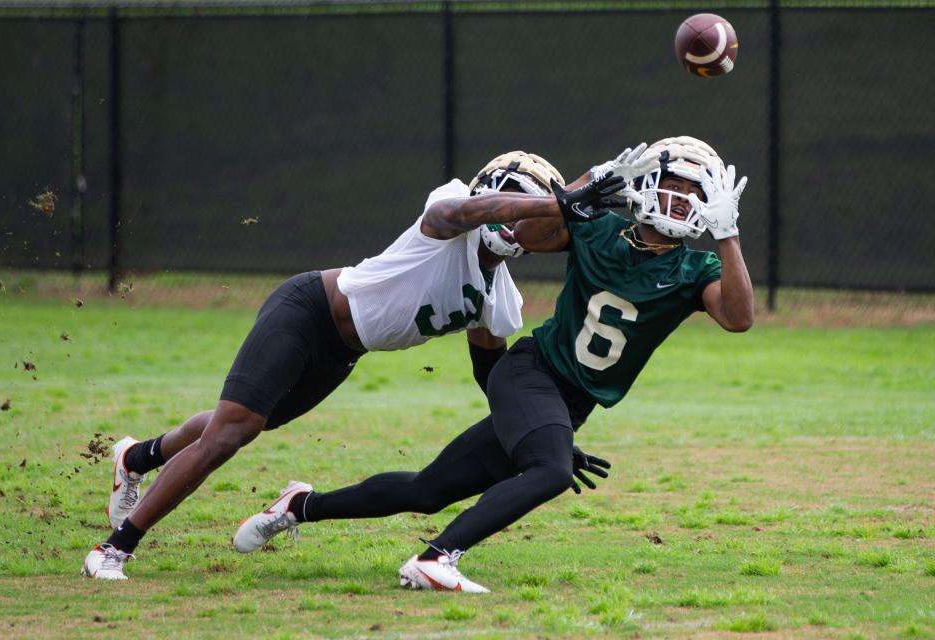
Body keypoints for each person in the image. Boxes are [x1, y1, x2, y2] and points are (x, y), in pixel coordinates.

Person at [231, 137, 755, 593]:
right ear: (647, 183)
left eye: (692, 191)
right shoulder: (601, 230)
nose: (677, 198)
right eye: (671, 184)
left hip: (568, 403)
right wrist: (582, 188)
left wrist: (728, 236)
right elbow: (527, 232)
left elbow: (738, 318)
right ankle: (436, 559)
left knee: (426, 490)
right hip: (532, 373)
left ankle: (299, 506)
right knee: (548, 471)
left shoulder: (696, 267)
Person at [81, 151, 633, 580]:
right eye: (515, 200)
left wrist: (541, 432)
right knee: (233, 432)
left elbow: (491, 377)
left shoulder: (500, 297)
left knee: (247, 421)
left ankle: (137, 456)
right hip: (308, 310)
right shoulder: (451, 215)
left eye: (534, 207)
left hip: (344, 351)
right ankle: (115, 547)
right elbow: (464, 211)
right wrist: (554, 203)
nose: (521, 215)